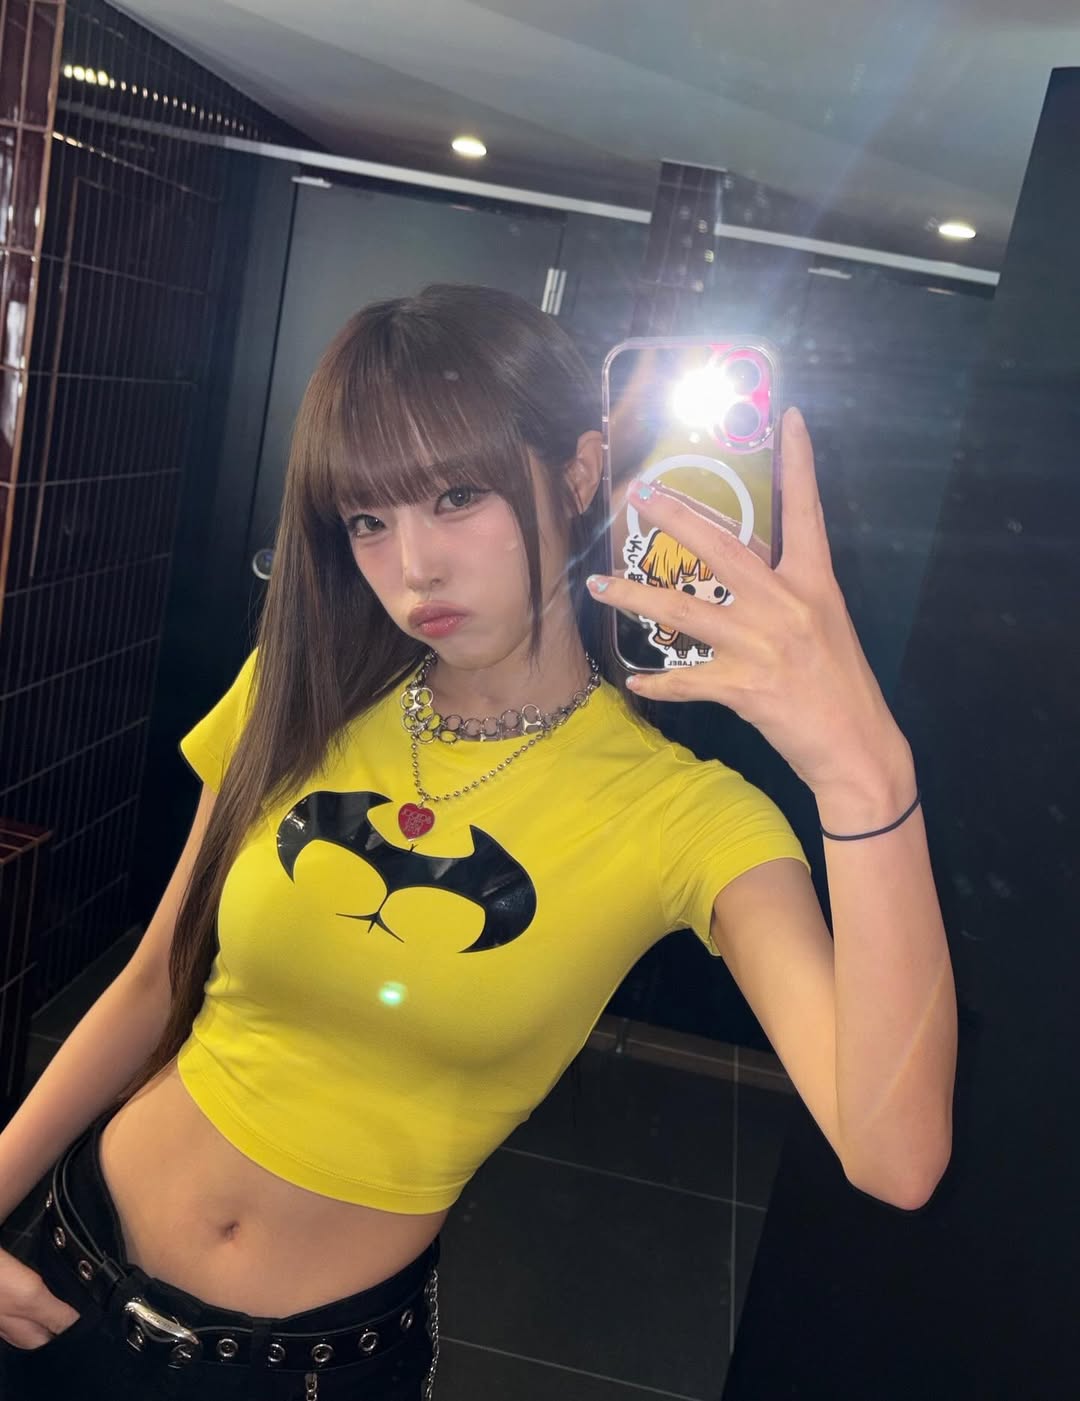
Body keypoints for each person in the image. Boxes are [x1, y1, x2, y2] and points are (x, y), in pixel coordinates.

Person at [0, 284, 957, 1399]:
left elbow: (895, 1158)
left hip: (308, 1372)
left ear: (581, 472)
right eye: (368, 519)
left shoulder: (684, 815)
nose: (414, 567)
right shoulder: (301, 688)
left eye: (457, 497)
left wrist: (866, 771)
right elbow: (156, 977)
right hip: (62, 1274)